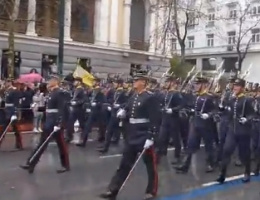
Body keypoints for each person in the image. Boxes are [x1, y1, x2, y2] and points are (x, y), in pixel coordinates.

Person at [100, 71, 161, 200]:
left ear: (143, 82)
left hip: (144, 135)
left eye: (136, 80)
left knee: (150, 165)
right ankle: (113, 189)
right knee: (124, 163)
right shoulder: (134, 96)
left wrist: (151, 137)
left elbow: (155, 118)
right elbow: (129, 108)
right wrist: (124, 112)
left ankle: (151, 190)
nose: (133, 82)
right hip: (132, 134)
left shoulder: (150, 97)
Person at [20, 75, 70, 174]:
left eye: (50, 81)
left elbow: (62, 109)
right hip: (49, 122)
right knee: (42, 144)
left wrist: (59, 123)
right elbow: (48, 109)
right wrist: (37, 108)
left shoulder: (60, 93)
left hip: (55, 123)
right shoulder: (51, 93)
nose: (48, 83)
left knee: (62, 146)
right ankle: (31, 163)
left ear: (55, 82)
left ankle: (66, 165)